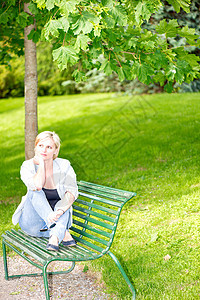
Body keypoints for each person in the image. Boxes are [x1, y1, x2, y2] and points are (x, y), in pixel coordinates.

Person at [12, 131, 78, 251]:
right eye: (41, 146)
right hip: (33, 224)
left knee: (64, 203)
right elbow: (37, 185)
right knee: (35, 192)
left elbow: (72, 191)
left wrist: (60, 210)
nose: (44, 150)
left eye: (49, 147)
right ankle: (62, 233)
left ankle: (54, 237)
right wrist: (42, 163)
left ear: (55, 150)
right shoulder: (27, 166)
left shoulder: (64, 165)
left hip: (58, 219)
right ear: (35, 147)